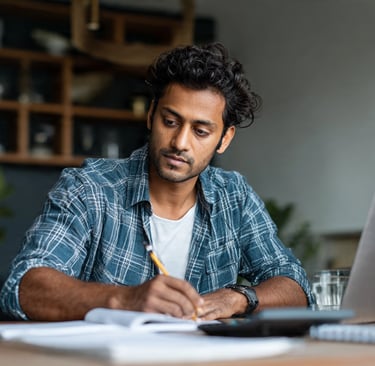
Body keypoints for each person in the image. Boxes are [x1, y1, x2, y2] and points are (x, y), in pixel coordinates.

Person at [0, 43, 313, 321]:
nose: (179, 142)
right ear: (151, 115)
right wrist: (123, 299)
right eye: (170, 121)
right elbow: (23, 287)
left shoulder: (235, 197)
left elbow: (296, 286)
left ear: (224, 138)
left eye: (200, 131)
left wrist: (241, 298)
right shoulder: (89, 188)